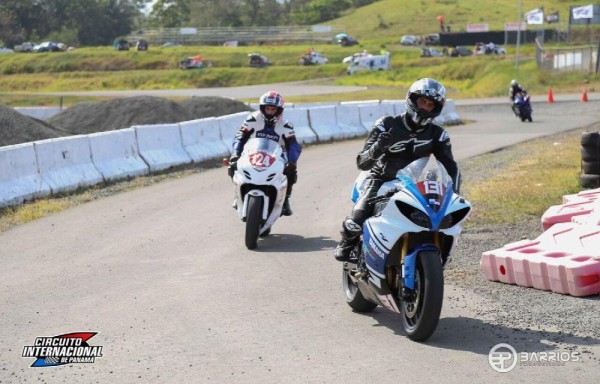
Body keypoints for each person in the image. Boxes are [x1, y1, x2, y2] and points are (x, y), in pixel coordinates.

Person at [334, 78, 461, 261]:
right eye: (421, 101)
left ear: (436, 108)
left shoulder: (438, 135)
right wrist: (378, 147)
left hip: (414, 185)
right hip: (380, 179)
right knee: (355, 222)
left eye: (430, 104)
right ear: (412, 99)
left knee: (438, 220)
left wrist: (454, 196)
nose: (424, 107)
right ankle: (347, 243)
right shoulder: (387, 123)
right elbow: (362, 163)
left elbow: (451, 168)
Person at [228, 91, 302, 216]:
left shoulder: (286, 125)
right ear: (262, 108)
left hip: (277, 154)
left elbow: (293, 145)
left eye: (273, 109)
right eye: (267, 108)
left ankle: (285, 199)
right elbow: (240, 136)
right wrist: (235, 153)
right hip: (253, 151)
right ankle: (237, 195)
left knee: (291, 171)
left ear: (279, 110)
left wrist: (292, 161)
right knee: (233, 164)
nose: (270, 111)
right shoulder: (252, 118)